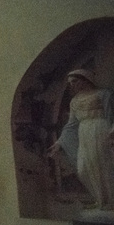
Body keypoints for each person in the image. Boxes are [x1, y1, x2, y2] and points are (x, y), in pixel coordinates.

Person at [48, 69, 114, 210]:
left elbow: (111, 114)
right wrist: (59, 142)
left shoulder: (103, 94)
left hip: (101, 130)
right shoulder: (75, 101)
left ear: (85, 79)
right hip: (84, 134)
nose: (72, 85)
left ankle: (110, 200)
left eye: (75, 81)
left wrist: (112, 131)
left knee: (105, 166)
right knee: (83, 168)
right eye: (70, 83)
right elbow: (71, 124)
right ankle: (99, 198)